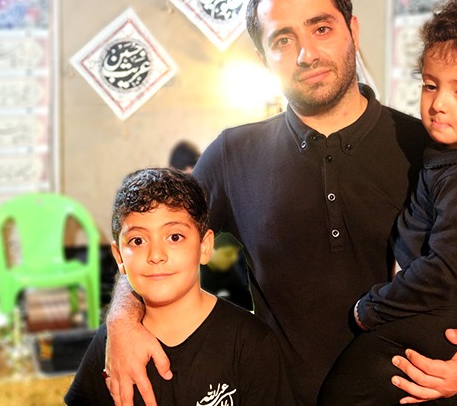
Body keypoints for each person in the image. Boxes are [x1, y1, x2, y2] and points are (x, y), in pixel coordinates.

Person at [102, 0, 457, 406]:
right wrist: (122, 321)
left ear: (353, 30)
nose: (306, 53)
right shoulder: (233, 154)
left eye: (321, 28)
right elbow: (153, 241)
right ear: (262, 58)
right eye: (282, 40)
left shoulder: (436, 147)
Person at [317, 0, 457, 405]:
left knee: (343, 393)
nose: (439, 103)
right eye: (430, 84)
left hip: (448, 308)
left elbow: (443, 273)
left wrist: (370, 308)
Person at [64, 168, 292, 405]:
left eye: (174, 237)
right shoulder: (110, 344)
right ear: (119, 257)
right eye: (138, 241)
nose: (156, 255)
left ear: (204, 247)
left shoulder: (251, 343)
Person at [200, 232, 253, 311]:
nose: (233, 258)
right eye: (227, 254)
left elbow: (248, 302)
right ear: (210, 250)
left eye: (236, 254)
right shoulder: (197, 277)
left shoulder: (235, 270)